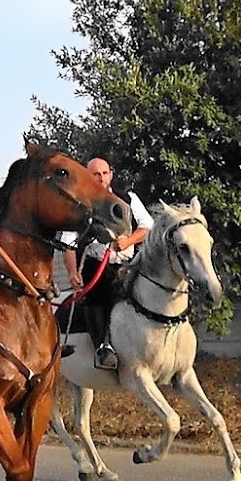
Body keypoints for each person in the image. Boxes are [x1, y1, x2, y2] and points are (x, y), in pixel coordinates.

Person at [60, 158, 154, 370]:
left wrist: (129, 240)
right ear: (87, 175)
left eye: (104, 173)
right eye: (96, 174)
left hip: (129, 263)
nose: (101, 178)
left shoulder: (127, 198)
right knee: (97, 299)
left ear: (111, 174)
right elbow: (68, 244)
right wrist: (73, 272)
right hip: (97, 265)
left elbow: (148, 226)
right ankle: (104, 348)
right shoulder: (79, 204)